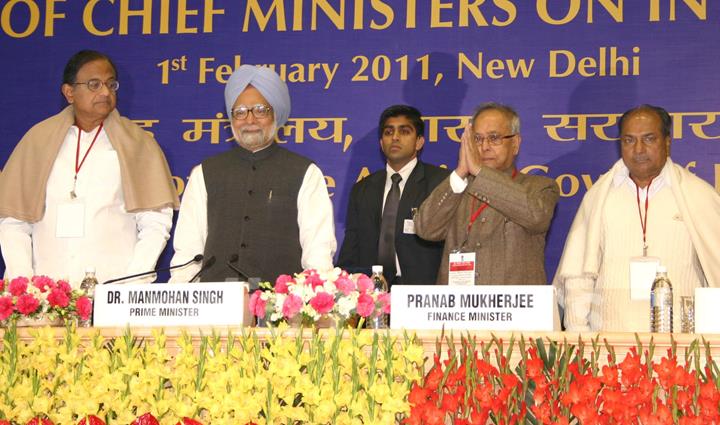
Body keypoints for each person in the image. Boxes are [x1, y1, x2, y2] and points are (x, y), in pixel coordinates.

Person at [0, 50, 179, 286]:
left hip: (113, 296)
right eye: (94, 84)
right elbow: (14, 221)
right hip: (47, 299)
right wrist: (25, 285)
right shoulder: (37, 141)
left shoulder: (138, 144)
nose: (105, 92)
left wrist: (130, 285)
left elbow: (155, 224)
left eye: (111, 84)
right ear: (69, 92)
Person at [554, 104, 720, 332]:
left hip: (683, 346)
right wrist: (579, 337)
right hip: (609, 345)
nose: (639, 149)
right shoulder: (599, 197)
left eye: (649, 139)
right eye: (629, 140)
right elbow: (578, 276)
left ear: (667, 142)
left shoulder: (698, 196)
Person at [170, 65, 336, 283]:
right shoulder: (204, 173)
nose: (249, 120)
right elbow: (188, 253)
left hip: (279, 308)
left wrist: (310, 302)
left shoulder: (305, 172)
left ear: (276, 114)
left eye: (260, 110)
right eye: (239, 112)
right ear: (230, 119)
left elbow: (318, 251)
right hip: (216, 307)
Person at [414, 102, 559, 285]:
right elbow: (426, 228)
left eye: (494, 138)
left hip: (514, 310)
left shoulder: (540, 187)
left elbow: (536, 216)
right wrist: (460, 171)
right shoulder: (457, 188)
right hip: (459, 310)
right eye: (477, 139)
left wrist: (480, 172)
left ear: (515, 144)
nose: (485, 146)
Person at [337, 105, 450, 285]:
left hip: (423, 294)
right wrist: (342, 287)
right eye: (388, 132)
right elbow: (351, 246)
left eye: (404, 131)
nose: (395, 137)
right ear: (381, 143)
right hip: (371, 295)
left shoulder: (440, 183)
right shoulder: (363, 189)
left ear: (419, 141)